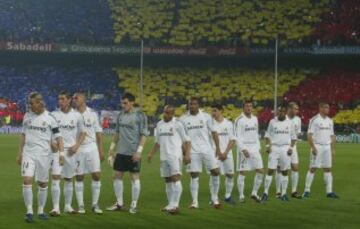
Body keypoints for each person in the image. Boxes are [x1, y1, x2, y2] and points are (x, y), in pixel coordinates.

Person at [17, 92, 64, 223]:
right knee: (26, 180)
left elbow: (59, 137)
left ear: (39, 103)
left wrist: (61, 154)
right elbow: (23, 135)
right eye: (29, 103)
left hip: (44, 155)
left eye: (31, 103)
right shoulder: (27, 116)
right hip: (29, 154)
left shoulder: (50, 118)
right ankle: (29, 211)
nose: (29, 106)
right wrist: (20, 153)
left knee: (42, 184)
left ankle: (41, 210)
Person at [106, 93, 149, 214]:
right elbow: (117, 133)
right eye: (122, 103)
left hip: (133, 152)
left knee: (134, 177)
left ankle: (134, 205)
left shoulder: (140, 116)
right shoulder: (120, 115)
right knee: (116, 176)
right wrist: (112, 148)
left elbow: (144, 135)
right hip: (121, 152)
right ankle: (119, 203)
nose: (123, 105)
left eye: (125, 103)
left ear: (132, 102)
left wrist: (139, 152)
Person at [147, 105, 191, 214]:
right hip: (164, 156)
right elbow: (157, 142)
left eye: (167, 113)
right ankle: (170, 204)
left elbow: (187, 140)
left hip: (175, 156)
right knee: (167, 180)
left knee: (176, 178)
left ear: (172, 114)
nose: (165, 114)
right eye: (164, 112)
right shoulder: (159, 124)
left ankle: (176, 205)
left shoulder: (178, 124)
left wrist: (187, 155)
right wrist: (151, 154)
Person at [49, 91, 86, 216]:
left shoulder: (77, 115)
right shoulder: (53, 115)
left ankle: (68, 206)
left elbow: (83, 132)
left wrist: (76, 145)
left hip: (71, 151)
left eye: (63, 99)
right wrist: (51, 142)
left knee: (69, 179)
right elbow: (48, 132)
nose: (60, 101)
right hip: (56, 151)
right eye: (59, 99)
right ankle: (55, 208)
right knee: (55, 177)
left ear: (69, 100)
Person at [179, 97, 221, 209]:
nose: (192, 106)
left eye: (194, 104)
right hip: (192, 150)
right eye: (190, 104)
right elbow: (180, 138)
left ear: (198, 105)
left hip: (207, 149)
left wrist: (217, 148)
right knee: (194, 175)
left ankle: (215, 199)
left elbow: (214, 132)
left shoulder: (206, 116)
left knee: (216, 171)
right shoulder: (182, 119)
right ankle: (194, 202)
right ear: (188, 105)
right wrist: (185, 153)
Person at [72, 92, 104, 214]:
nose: (74, 100)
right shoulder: (72, 115)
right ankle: (81, 206)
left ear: (83, 99)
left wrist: (101, 150)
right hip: (78, 149)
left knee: (96, 175)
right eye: (73, 98)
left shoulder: (93, 114)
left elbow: (99, 133)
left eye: (76, 98)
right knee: (79, 177)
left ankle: (95, 204)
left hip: (92, 147)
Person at [261, 105, 297, 202]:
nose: (280, 113)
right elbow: (267, 135)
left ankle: (284, 193)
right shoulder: (272, 122)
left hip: (285, 148)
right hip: (275, 148)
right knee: (270, 170)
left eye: (282, 111)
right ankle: (265, 193)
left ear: (285, 112)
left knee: (285, 171)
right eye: (279, 111)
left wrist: (291, 148)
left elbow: (294, 137)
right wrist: (268, 146)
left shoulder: (290, 123)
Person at [303, 102, 338, 198]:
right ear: (321, 108)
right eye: (326, 108)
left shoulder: (330, 121)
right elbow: (309, 135)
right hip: (317, 146)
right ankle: (306, 190)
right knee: (313, 168)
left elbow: (332, 135)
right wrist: (313, 147)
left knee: (328, 169)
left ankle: (329, 192)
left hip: (327, 147)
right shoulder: (314, 120)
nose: (328, 109)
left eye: (328, 108)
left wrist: (333, 149)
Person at [234, 100, 264, 203]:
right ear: (243, 108)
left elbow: (256, 133)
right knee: (242, 172)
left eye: (250, 106)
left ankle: (254, 193)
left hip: (255, 148)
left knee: (260, 171)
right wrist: (243, 149)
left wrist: (258, 146)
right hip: (244, 148)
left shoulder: (255, 119)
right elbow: (236, 137)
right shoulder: (239, 120)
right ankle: (241, 196)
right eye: (247, 106)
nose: (249, 108)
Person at [210, 104, 236, 204]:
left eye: (215, 110)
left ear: (221, 111)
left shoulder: (229, 124)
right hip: (214, 153)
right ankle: (214, 197)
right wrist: (218, 151)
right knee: (214, 175)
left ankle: (228, 196)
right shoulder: (210, 124)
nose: (213, 113)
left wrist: (225, 152)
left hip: (227, 154)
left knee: (230, 175)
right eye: (212, 111)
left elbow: (232, 140)